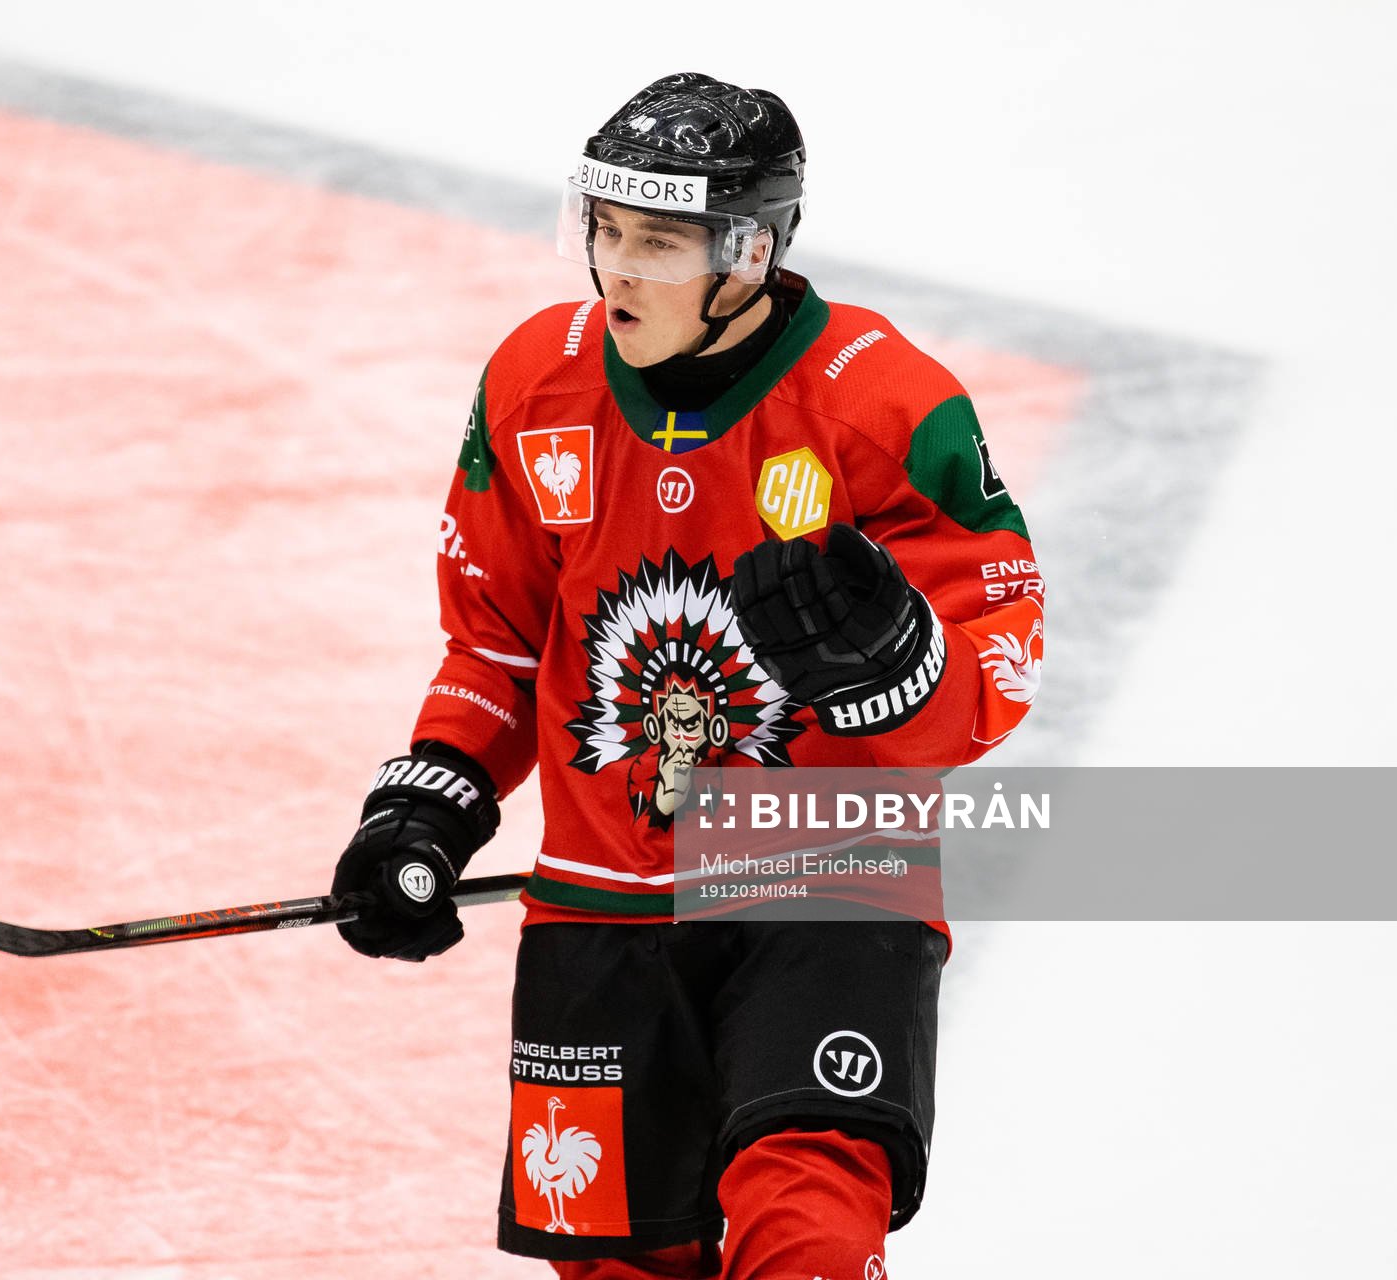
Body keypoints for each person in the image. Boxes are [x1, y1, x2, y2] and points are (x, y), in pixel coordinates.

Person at [331, 72, 1045, 1279]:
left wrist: (896, 670)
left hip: (824, 882)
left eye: (657, 243)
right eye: (601, 230)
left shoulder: (883, 403)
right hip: (599, 903)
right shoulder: (532, 383)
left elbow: (1001, 661)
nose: (615, 270)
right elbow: (497, 638)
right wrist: (428, 800)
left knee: (807, 1226)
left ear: (749, 252)